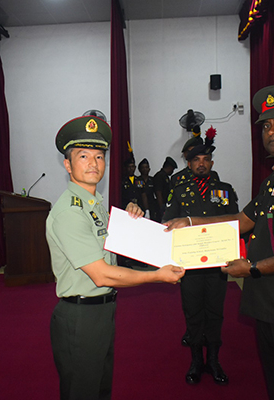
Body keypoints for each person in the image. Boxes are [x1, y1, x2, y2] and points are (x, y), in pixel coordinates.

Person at [165, 85, 274, 400]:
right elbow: (242, 220)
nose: (272, 131)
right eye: (266, 125)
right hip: (270, 308)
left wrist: (253, 268)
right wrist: (191, 222)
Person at [47, 115, 185, 400]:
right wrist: (157, 275)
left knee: (100, 389)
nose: (93, 163)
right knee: (82, 392)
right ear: (67, 165)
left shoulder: (94, 203)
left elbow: (114, 243)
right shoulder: (69, 212)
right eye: (83, 156)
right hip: (80, 316)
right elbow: (102, 274)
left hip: (101, 311)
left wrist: (131, 217)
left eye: (99, 156)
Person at [162, 126, 239, 386]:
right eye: (196, 160)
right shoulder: (179, 191)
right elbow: (166, 222)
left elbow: (235, 223)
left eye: (206, 159)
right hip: (190, 266)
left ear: (212, 163)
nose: (202, 164)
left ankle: (214, 360)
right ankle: (196, 360)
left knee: (215, 313)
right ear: (189, 164)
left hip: (218, 266)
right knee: (193, 312)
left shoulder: (225, 190)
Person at [152, 156, 177, 222]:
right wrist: (162, 207)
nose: (172, 171)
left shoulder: (165, 176)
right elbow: (158, 193)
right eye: (172, 169)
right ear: (169, 167)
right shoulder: (159, 176)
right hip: (160, 205)